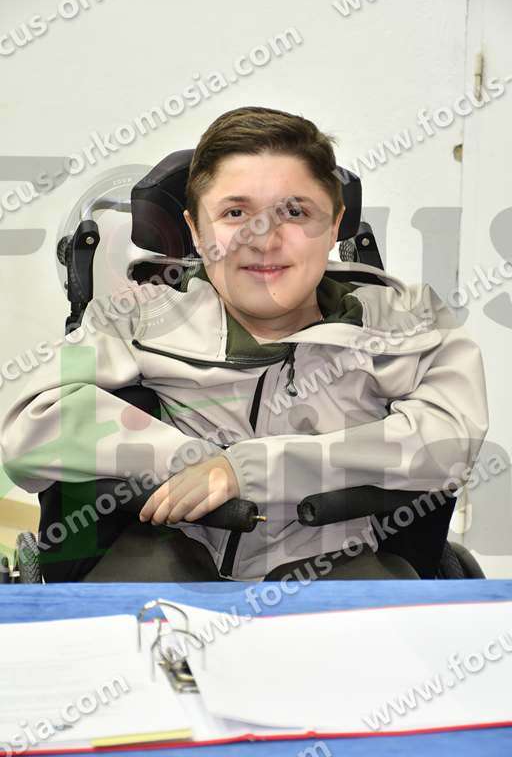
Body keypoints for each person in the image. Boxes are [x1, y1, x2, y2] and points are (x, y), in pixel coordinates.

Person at [0, 106, 489, 582]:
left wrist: (250, 469)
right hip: (168, 558)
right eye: (235, 212)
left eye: (295, 212)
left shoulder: (409, 320)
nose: (264, 239)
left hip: (336, 564)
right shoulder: (133, 317)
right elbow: (28, 426)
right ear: (196, 229)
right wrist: (190, 461)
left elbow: (449, 441)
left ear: (334, 223)